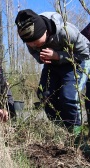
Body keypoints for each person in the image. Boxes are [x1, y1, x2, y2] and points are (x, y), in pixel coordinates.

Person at [14, 9, 90, 146]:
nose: (33, 46)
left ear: (45, 32)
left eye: (36, 42)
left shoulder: (66, 31)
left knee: (69, 97)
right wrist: (42, 57)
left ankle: (78, 138)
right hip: (53, 64)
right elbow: (37, 56)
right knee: (45, 96)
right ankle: (64, 131)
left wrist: (58, 56)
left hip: (76, 62)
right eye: (29, 43)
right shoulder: (29, 37)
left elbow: (86, 54)